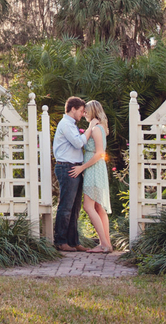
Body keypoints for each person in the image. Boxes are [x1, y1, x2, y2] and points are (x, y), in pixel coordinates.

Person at [70, 100, 112, 253]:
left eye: (86, 111)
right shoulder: (99, 128)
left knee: (89, 206)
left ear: (93, 112)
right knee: (99, 207)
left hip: (93, 169)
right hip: (95, 169)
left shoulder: (96, 130)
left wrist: (82, 167)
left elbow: (100, 153)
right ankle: (106, 243)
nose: (85, 114)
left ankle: (104, 245)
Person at [52, 96, 92, 252]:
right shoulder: (66, 124)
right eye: (81, 111)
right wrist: (90, 129)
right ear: (73, 109)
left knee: (75, 207)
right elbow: (78, 143)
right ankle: (60, 241)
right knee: (66, 206)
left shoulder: (71, 125)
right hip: (66, 167)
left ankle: (73, 241)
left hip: (75, 167)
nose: (82, 114)